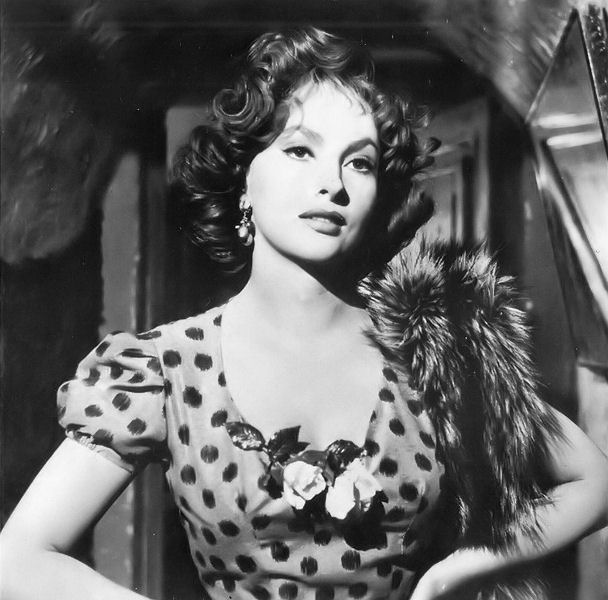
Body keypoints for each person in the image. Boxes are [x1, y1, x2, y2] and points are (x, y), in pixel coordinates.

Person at [1, 26, 607, 600]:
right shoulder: (165, 368)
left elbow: (595, 483)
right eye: (299, 150)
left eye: (359, 162)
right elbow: (18, 560)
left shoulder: (429, 348)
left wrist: (449, 574)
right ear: (243, 180)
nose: (332, 185)